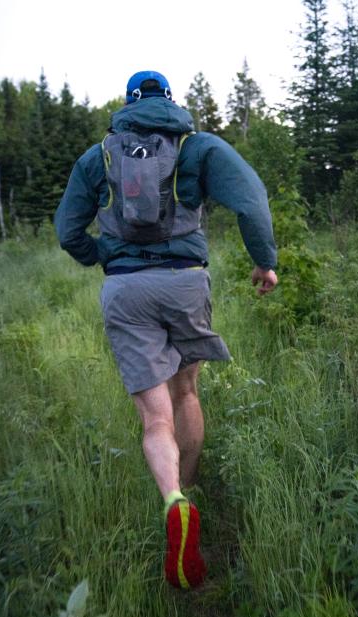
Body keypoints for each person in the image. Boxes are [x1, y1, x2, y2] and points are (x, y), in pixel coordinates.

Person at [54, 70, 278, 590]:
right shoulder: (197, 146)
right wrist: (264, 261)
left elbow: (68, 229)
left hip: (126, 290)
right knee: (187, 393)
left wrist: (103, 256)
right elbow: (251, 200)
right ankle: (191, 489)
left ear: (128, 103)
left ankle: (172, 499)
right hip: (184, 284)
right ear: (170, 101)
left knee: (155, 420)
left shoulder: (100, 155)